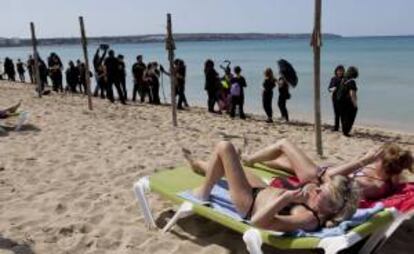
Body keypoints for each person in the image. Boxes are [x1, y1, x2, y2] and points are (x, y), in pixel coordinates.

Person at [183, 141, 360, 231]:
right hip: (261, 191)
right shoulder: (317, 204)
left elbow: (258, 222)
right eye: (322, 187)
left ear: (331, 207)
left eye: (323, 192)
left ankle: (203, 193)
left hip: (249, 203)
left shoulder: (309, 218)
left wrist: (285, 198)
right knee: (227, 168)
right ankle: (199, 164)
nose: (318, 189)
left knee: (225, 147)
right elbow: (320, 181)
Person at [242, 139, 413, 201]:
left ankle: (249, 159)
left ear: (383, 164)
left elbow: (332, 179)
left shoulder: (373, 186)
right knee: (286, 160)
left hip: (316, 178)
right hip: (320, 171)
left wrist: (363, 161)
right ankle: (253, 159)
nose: (375, 158)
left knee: (284, 144)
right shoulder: (385, 175)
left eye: (378, 158)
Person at [337, 66, 359, 137]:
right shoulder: (352, 82)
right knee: (351, 116)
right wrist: (355, 104)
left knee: (343, 117)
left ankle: (344, 131)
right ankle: (346, 131)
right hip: (347, 102)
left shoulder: (344, 80)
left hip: (340, 101)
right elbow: (352, 93)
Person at [328, 65, 345, 132]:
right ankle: (336, 128)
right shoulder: (333, 79)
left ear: (343, 71)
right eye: (339, 71)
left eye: (341, 71)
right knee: (337, 114)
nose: (340, 72)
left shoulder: (345, 79)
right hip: (335, 99)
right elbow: (329, 89)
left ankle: (345, 128)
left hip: (344, 99)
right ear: (336, 71)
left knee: (343, 114)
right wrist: (333, 89)